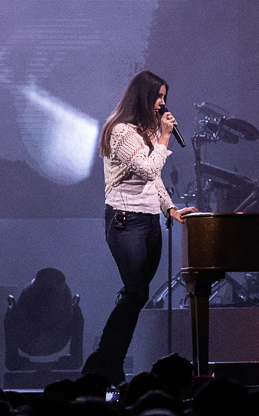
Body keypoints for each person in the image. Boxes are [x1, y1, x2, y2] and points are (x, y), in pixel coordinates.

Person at [82, 70, 197, 384]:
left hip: (149, 221)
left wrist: (170, 208)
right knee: (136, 291)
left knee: (137, 295)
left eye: (164, 97)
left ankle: (105, 360)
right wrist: (164, 139)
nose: (162, 103)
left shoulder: (146, 133)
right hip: (125, 220)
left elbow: (154, 180)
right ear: (142, 97)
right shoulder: (121, 131)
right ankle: (107, 361)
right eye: (158, 96)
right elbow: (147, 169)